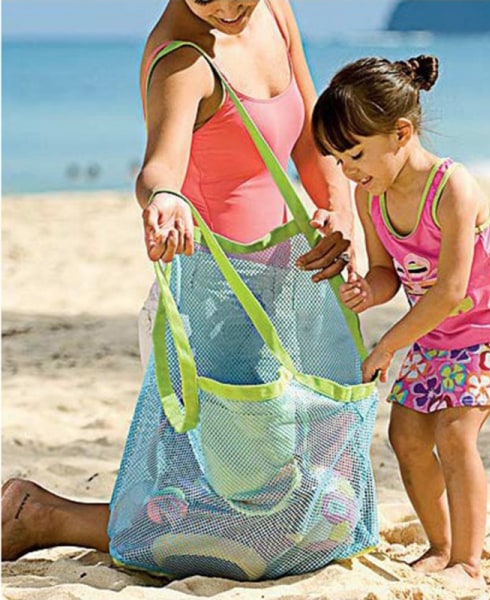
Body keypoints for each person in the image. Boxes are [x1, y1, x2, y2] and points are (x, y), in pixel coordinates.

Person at [2, 0, 354, 562]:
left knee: (293, 508)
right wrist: (164, 198)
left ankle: (45, 514)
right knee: (245, 524)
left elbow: (310, 137)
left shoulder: (274, 12)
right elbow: (159, 169)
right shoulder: (181, 61)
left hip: (284, 293)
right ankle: (44, 516)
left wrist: (339, 210)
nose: (228, 6)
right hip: (211, 314)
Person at [311, 55, 490, 589]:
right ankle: (440, 544)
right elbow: (387, 274)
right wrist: (367, 291)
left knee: (454, 432)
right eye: (337, 158)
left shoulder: (453, 187)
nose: (348, 169)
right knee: (406, 436)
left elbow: (449, 292)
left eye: (355, 153)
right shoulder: (369, 195)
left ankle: (468, 561)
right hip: (435, 333)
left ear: (401, 132)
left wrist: (386, 347)